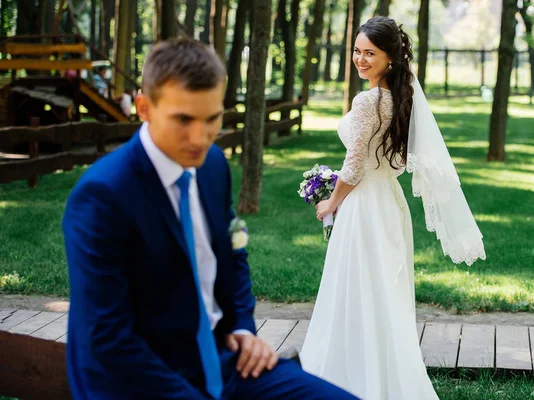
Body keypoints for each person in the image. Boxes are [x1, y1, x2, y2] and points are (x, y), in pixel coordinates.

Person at [62, 38, 357, 400]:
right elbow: (107, 341)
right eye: (183, 120)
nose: (200, 138)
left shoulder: (213, 166)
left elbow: (234, 253)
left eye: (212, 118)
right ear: (144, 107)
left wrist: (245, 330)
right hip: (136, 380)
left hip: (223, 360)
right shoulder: (102, 197)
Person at [300, 17, 486, 399]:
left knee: (359, 287)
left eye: (370, 53)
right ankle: (382, 373)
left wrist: (330, 202)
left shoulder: (367, 100)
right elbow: (376, 159)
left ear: (389, 59)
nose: (361, 59)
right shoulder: (403, 98)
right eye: (357, 51)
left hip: (364, 205)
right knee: (381, 289)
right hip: (387, 200)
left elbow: (354, 165)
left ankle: (352, 374)